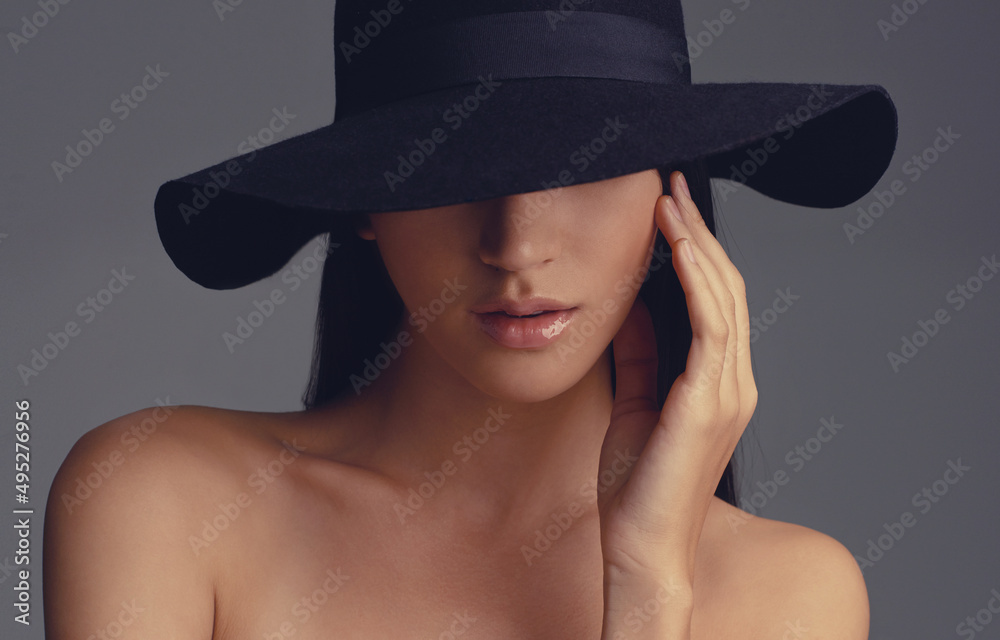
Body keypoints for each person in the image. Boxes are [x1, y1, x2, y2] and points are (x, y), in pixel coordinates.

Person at [43, 1, 898, 638]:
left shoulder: (791, 598)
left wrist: (647, 590)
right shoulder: (159, 501)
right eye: (452, 170)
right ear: (367, 199)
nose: (517, 245)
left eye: (586, 164)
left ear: (669, 183)